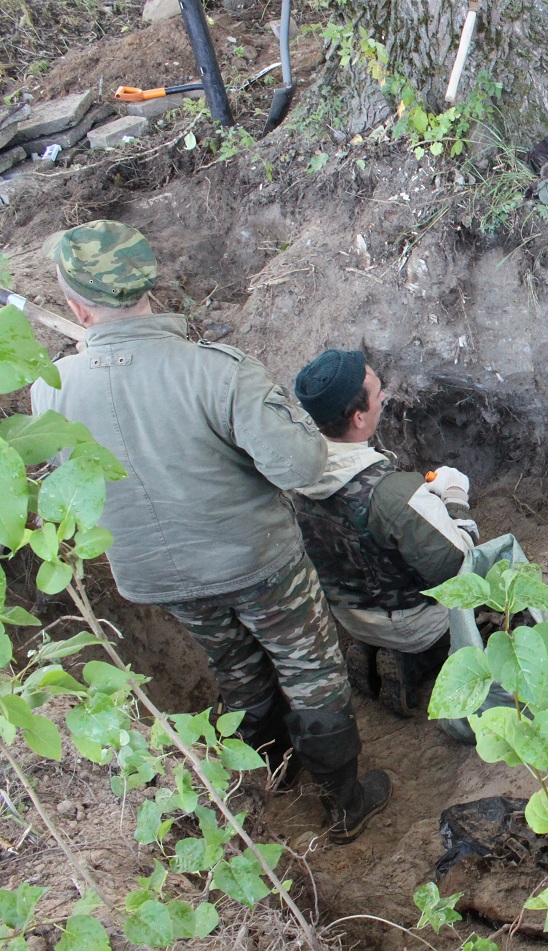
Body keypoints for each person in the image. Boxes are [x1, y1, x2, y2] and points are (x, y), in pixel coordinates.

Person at [30, 221, 390, 843]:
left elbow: (76, 485)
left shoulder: (49, 391)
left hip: (158, 578)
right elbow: (301, 466)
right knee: (312, 669)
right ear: (151, 285)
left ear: (76, 306)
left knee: (235, 665)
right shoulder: (217, 373)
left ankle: (266, 774)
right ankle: (343, 801)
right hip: (257, 561)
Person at [291, 348, 477, 717]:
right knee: (487, 586)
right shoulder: (392, 494)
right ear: (359, 417)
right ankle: (418, 661)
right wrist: (455, 500)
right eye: (379, 394)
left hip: (350, 616)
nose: (385, 397)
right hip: (415, 623)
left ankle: (373, 649)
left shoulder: (289, 478)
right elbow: (455, 567)